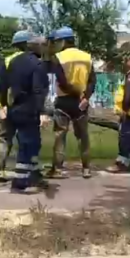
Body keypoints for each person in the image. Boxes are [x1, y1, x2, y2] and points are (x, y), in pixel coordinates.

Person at [0, 33, 50, 193]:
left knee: (32, 143)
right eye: (43, 46)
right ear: (37, 47)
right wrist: (42, 112)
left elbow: (3, 85)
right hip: (29, 110)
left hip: (14, 109)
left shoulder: (14, 61)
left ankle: (34, 175)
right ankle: (20, 181)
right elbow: (38, 90)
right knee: (28, 144)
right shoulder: (37, 64)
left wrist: (3, 105)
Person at [45, 26, 95, 179]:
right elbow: (92, 81)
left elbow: (62, 82)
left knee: (60, 136)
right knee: (83, 137)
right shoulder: (87, 57)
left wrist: (77, 93)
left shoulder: (58, 57)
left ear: (63, 41)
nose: (56, 45)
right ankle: (86, 169)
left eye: (57, 42)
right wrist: (85, 97)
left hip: (64, 101)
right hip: (81, 103)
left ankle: (57, 169)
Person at [0, 30, 34, 182]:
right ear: (27, 44)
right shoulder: (33, 61)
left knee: (5, 139)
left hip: (9, 107)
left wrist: (1, 106)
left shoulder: (7, 61)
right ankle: (29, 172)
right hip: (27, 108)